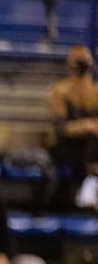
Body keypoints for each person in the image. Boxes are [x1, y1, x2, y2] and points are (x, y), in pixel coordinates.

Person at [47, 45, 98, 208]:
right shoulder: (60, 91)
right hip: (69, 146)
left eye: (84, 60)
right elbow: (61, 128)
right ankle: (90, 184)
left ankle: (91, 183)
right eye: (78, 61)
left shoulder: (96, 92)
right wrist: (86, 126)